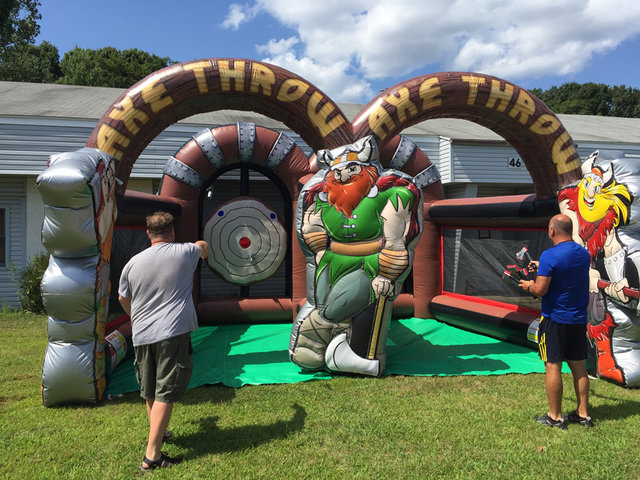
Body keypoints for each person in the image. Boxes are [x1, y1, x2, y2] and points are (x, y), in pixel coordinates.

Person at [118, 211, 208, 470]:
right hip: (172, 332)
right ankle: (152, 456)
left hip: (142, 333)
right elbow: (202, 246)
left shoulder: (132, 263)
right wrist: (205, 251)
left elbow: (123, 299)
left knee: (150, 387)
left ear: (148, 233)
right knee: (166, 390)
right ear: (172, 232)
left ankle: (159, 432)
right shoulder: (184, 252)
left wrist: (135, 315)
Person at [519, 214, 593, 429]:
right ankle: (583, 415)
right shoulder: (583, 253)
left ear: (552, 231)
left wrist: (527, 285)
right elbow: (567, 267)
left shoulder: (550, 255)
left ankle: (555, 417)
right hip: (578, 319)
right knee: (579, 366)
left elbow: (540, 289)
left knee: (553, 366)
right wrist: (543, 266)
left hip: (554, 320)